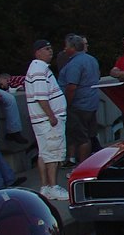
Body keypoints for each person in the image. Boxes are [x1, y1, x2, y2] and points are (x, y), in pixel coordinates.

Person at [24, 40, 68, 200]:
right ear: (37, 52)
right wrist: (52, 116)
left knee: (44, 153)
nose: (51, 51)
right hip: (48, 121)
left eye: (51, 48)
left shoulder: (37, 68)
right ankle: (53, 186)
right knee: (54, 155)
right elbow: (41, 97)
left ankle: (45, 188)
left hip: (42, 121)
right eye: (47, 49)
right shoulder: (39, 69)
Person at [59, 34, 101, 165]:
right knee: (88, 135)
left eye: (66, 46)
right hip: (92, 102)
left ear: (73, 48)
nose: (65, 49)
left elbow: (71, 87)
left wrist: (67, 104)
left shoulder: (75, 64)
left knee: (82, 138)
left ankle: (82, 167)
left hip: (79, 105)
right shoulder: (92, 59)